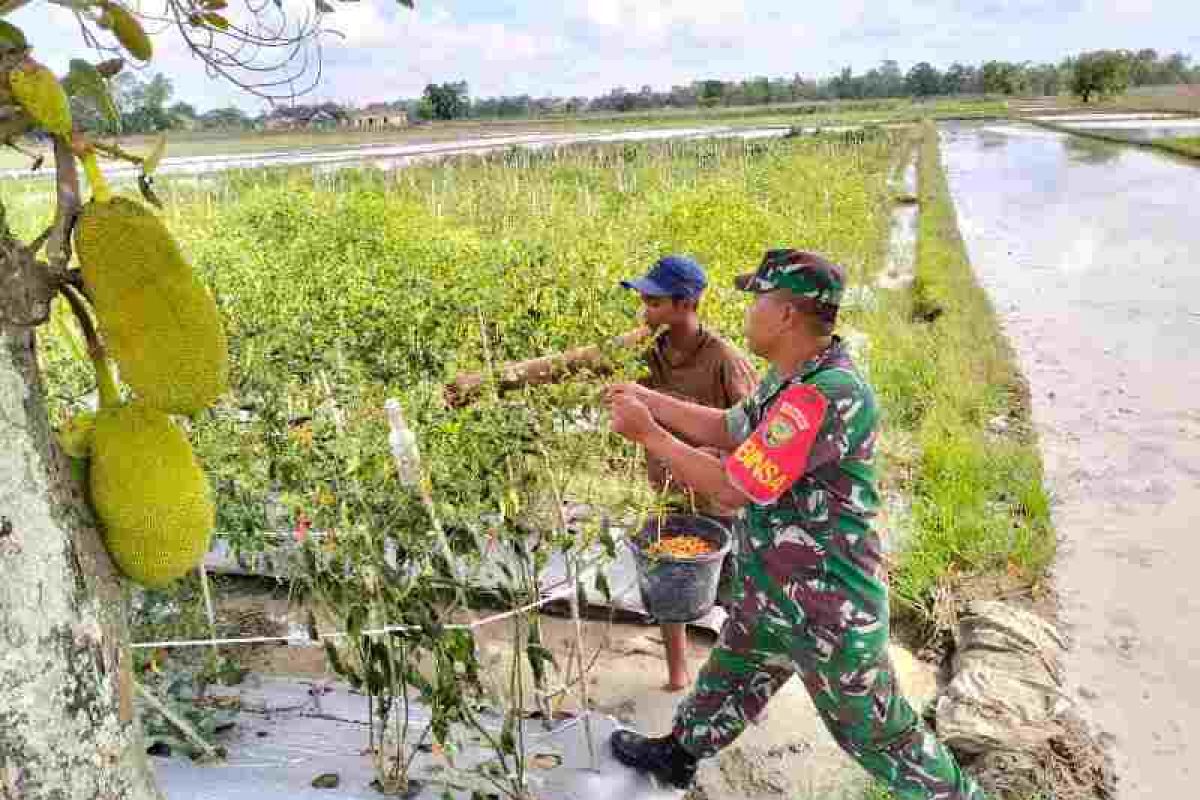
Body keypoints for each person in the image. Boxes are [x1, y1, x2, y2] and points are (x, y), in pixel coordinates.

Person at [604, 249, 986, 799]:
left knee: (879, 737)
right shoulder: (790, 377)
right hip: (775, 592)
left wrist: (650, 435)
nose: (749, 311)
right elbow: (731, 426)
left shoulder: (823, 395)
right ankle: (678, 754)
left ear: (786, 314)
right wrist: (647, 400)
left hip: (827, 611)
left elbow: (732, 486)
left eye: (758, 298)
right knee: (730, 675)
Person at [619, 254, 758, 692]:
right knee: (667, 585)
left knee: (734, 593)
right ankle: (678, 673)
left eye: (655, 303)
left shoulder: (724, 360)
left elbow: (755, 436)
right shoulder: (646, 346)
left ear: (686, 304)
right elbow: (573, 362)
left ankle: (730, 681)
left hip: (720, 503)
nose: (646, 312)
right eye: (643, 302)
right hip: (670, 496)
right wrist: (492, 380)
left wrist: (710, 456)